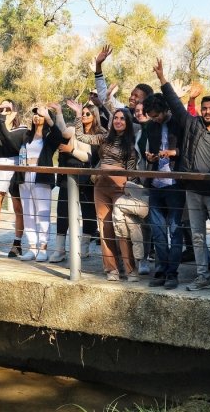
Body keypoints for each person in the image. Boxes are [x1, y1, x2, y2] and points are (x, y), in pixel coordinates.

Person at [153, 59, 210, 295]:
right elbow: (175, 105)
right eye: (205, 108)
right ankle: (202, 277)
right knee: (197, 237)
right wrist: (162, 78)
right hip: (193, 191)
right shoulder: (192, 125)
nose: (207, 112)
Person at [73, 103, 139, 281]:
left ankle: (130, 269)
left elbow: (132, 171)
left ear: (128, 122)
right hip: (101, 187)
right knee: (105, 227)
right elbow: (79, 136)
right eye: (116, 118)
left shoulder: (132, 142)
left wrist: (129, 189)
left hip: (121, 187)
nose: (118, 121)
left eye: (122, 118)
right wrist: (79, 115)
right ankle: (111, 269)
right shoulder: (104, 138)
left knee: (122, 228)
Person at [141, 92, 186, 290]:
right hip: (156, 183)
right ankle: (160, 270)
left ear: (165, 110)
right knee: (158, 232)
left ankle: (172, 273)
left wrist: (171, 152)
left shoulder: (179, 123)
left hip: (175, 184)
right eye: (151, 116)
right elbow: (152, 149)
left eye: (157, 115)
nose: (155, 119)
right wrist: (151, 157)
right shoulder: (150, 126)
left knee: (175, 231)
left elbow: (187, 150)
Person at [49, 102, 100, 262]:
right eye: (82, 113)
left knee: (89, 213)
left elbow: (89, 157)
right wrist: (58, 112)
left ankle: (83, 248)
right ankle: (59, 249)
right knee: (63, 212)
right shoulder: (73, 131)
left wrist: (72, 150)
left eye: (87, 114)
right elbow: (64, 131)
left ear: (94, 117)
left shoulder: (97, 135)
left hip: (87, 179)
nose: (84, 116)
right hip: (67, 178)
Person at [17, 104, 61, 261]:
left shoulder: (49, 137)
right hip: (25, 175)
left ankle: (43, 247)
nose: (37, 116)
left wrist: (49, 116)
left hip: (41, 176)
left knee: (43, 212)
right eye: (35, 114)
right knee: (28, 212)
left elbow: (59, 134)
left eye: (40, 114)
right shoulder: (26, 136)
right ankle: (32, 247)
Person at [0, 100, 28, 257]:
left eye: (7, 109)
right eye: (0, 109)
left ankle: (17, 244)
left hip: (15, 167)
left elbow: (12, 143)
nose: (3, 111)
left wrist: (3, 123)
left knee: (18, 209)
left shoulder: (22, 130)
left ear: (14, 111)